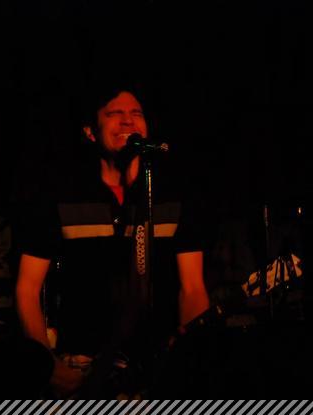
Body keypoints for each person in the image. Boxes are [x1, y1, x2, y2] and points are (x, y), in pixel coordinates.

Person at [14, 81, 210, 398]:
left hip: (156, 371)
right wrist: (49, 367)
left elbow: (193, 288)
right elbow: (27, 288)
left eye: (137, 113)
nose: (128, 120)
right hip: (82, 369)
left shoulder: (173, 196)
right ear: (90, 132)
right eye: (114, 113)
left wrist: (188, 360)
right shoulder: (62, 195)